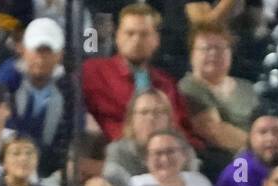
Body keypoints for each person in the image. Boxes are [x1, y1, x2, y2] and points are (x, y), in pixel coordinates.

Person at [81, 4, 197, 147]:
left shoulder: (167, 83)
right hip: (118, 155)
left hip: (171, 156)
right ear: (117, 37)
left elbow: (183, 129)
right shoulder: (92, 72)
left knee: (229, 164)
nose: (136, 40)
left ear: (156, 40)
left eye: (144, 34)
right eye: (130, 33)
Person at [0, 17, 73, 178]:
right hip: (3, 168)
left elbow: (74, 134)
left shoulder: (69, 89)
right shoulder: (5, 81)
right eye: (36, 50)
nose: (41, 59)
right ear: (23, 49)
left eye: (48, 52)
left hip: (50, 172)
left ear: (60, 55)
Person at [177, 23, 258, 170]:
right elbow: (215, 131)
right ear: (192, 54)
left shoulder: (247, 87)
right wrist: (264, 146)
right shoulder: (188, 87)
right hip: (218, 163)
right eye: (206, 48)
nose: (213, 53)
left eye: (220, 48)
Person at [104, 88, 201, 183]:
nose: (151, 118)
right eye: (144, 112)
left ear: (169, 120)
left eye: (158, 112)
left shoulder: (184, 151)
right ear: (131, 120)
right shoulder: (118, 152)